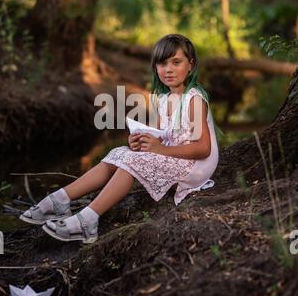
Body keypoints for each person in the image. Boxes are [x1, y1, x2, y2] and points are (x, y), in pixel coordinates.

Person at [19, 34, 219, 244]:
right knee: (119, 153)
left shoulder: (194, 98)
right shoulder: (163, 98)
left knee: (131, 162)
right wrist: (143, 142)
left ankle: (88, 220)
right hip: (176, 157)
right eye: (162, 63)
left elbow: (203, 148)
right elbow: (163, 137)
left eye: (176, 62)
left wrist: (158, 149)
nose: (168, 69)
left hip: (195, 166)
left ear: (190, 65)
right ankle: (60, 199)